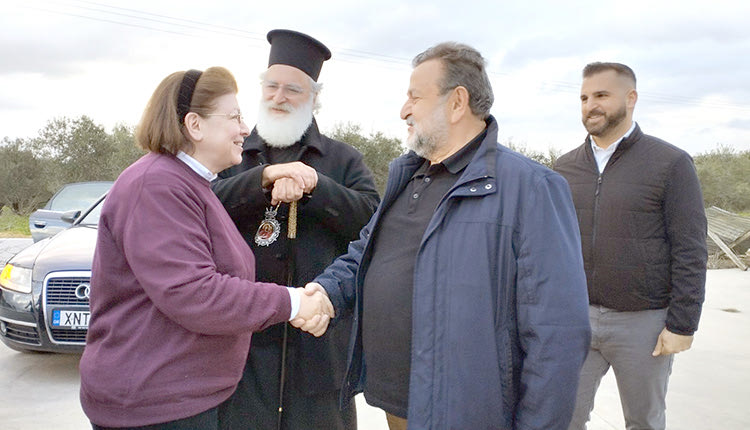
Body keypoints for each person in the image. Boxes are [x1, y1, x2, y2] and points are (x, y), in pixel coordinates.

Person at [307, 42, 592, 429]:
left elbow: (557, 333)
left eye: (415, 97)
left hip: (467, 409)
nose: (403, 110)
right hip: (398, 401)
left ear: (457, 102)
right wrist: (326, 291)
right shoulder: (407, 176)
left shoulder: (531, 187)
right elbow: (365, 254)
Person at [79, 67, 333, 430]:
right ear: (194, 125)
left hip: (177, 399)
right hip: (154, 406)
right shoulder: (157, 185)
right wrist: (292, 303)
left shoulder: (190, 184)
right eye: (234, 117)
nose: (245, 129)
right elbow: (194, 293)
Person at [211, 30, 379, 430]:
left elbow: (373, 222)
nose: (278, 97)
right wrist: (262, 180)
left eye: (292, 89)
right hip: (242, 341)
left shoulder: (343, 160)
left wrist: (315, 186)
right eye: (271, 86)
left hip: (320, 343)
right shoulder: (231, 155)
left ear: (314, 98)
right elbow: (203, 204)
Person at [553, 62, 707, 430]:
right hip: (577, 320)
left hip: (645, 325)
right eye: (584, 97)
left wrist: (683, 324)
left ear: (631, 98)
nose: (591, 105)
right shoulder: (563, 169)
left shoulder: (670, 163)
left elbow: (690, 248)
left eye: (602, 95)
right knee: (562, 418)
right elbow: (551, 246)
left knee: (644, 421)